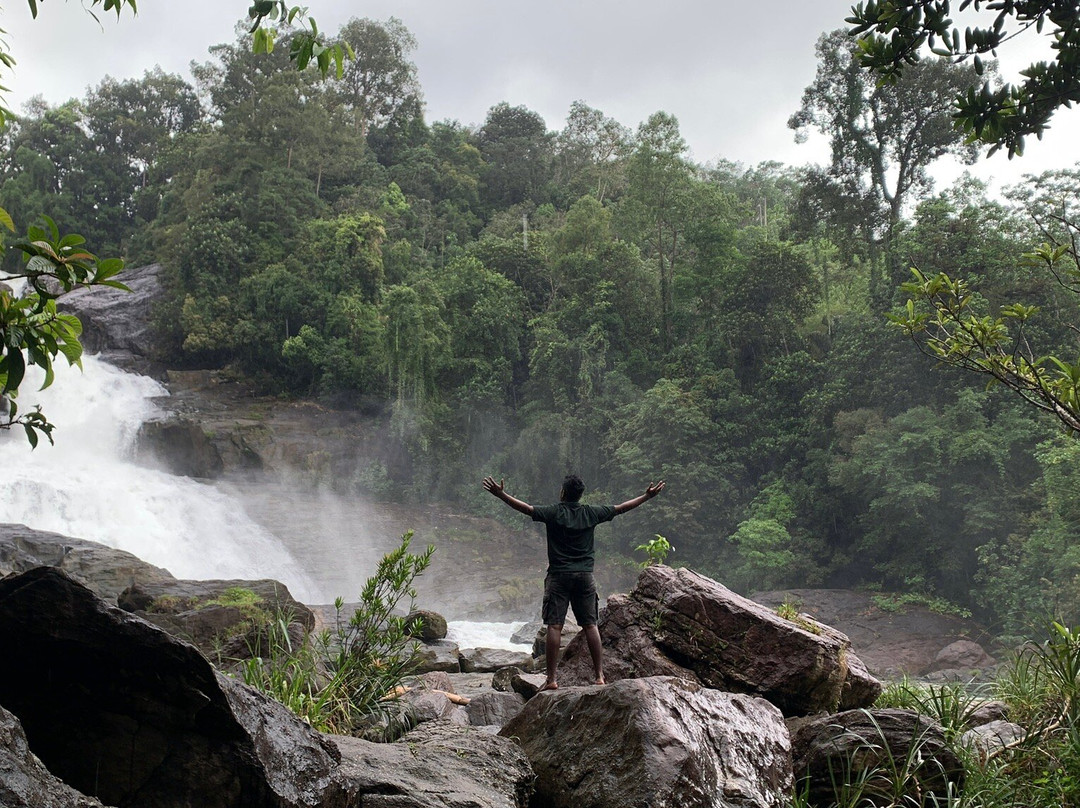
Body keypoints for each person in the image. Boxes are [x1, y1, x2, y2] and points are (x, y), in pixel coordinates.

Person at [482, 473, 665, 691]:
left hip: (559, 576)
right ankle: (599, 676)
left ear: (563, 493)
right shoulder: (591, 513)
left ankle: (551, 680)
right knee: (590, 625)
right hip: (585, 577)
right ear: (580, 495)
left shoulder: (554, 512)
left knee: (555, 625)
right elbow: (621, 508)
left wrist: (501, 495)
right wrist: (646, 497)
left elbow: (526, 508)